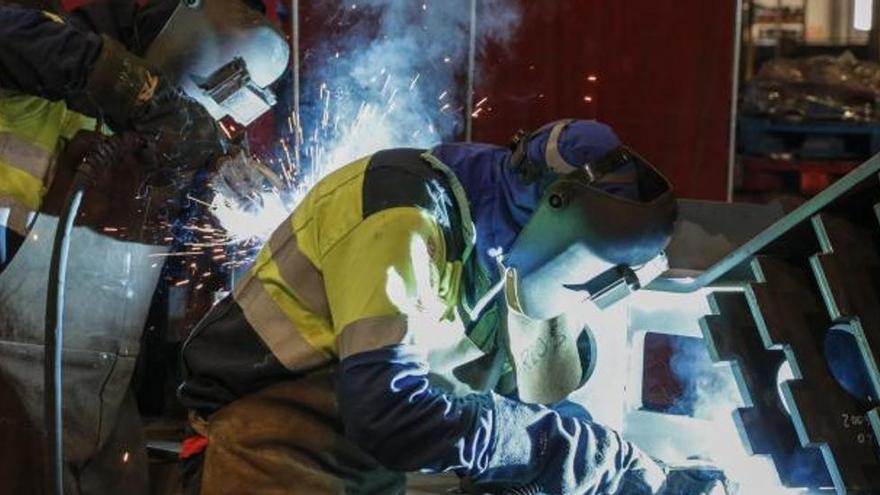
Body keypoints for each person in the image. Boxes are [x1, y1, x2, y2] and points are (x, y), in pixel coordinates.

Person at [178, 119, 726, 494]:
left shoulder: (499, 251)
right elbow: (389, 414)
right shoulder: (403, 211)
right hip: (270, 459)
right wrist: (560, 448)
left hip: (362, 474)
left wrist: (633, 472)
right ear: (555, 216)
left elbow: (518, 411)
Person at [0, 0, 288, 492]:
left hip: (93, 398)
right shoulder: (47, 47)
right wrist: (138, 93)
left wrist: (217, 170)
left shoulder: (164, 140)